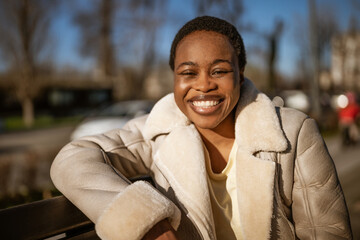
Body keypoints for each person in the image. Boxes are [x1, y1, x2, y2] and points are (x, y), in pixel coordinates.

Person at [51, 16, 352, 240]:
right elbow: (73, 158)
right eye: (188, 72)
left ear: (240, 74)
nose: (204, 84)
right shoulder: (156, 130)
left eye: (219, 70)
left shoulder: (293, 132)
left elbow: (327, 232)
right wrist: (144, 220)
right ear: (175, 79)